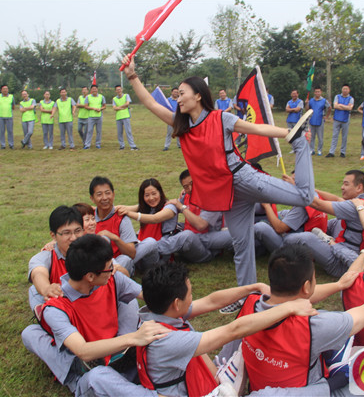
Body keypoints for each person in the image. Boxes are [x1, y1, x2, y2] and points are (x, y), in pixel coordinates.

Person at [122, 56, 315, 308]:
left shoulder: (220, 118)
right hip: (228, 195)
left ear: (198, 95)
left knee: (304, 196)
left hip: (242, 178)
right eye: (177, 95)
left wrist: (289, 134)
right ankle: (246, 298)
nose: (178, 98)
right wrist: (132, 76)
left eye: (182, 93)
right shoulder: (182, 126)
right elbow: (149, 103)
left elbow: (255, 129)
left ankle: (300, 143)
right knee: (242, 245)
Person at [235, 244, 364, 393]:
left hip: (259, 388)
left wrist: (339, 285)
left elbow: (296, 297)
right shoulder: (314, 327)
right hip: (309, 391)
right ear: (307, 286)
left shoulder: (251, 304)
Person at [22, 234, 171, 397]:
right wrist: (133, 338)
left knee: (139, 311)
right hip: (93, 367)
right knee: (97, 376)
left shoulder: (113, 279)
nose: (114, 269)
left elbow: (148, 296)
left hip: (114, 355)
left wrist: (181, 298)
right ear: (90, 276)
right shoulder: (56, 308)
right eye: (109, 267)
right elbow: (83, 351)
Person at [136, 263, 317, 396]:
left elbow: (211, 301)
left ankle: (221, 377)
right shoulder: (166, 340)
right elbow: (233, 330)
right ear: (176, 303)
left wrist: (252, 288)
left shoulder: (156, 314)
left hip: (197, 380)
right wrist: (288, 307)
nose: (192, 298)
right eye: (190, 294)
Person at [284, 170, 364, 277]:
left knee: (302, 238)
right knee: (333, 222)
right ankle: (319, 236)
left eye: (346, 184)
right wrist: (311, 191)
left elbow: (318, 204)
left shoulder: (352, 207)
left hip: (342, 262)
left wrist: (297, 189)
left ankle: (284, 240)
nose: (342, 187)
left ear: (359, 187)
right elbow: (337, 199)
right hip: (357, 253)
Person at [89, 176, 158, 275]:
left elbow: (131, 253)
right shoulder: (89, 217)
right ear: (92, 198)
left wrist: (115, 238)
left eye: (107, 193)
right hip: (95, 261)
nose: (104, 198)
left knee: (129, 257)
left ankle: (151, 273)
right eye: (99, 194)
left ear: (113, 194)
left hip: (119, 260)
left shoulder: (121, 219)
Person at [166, 170, 233, 263]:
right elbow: (173, 206)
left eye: (192, 183)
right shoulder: (186, 195)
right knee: (172, 227)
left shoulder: (211, 198)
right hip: (193, 237)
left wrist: (182, 207)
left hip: (207, 244)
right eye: (186, 187)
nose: (190, 188)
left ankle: (157, 248)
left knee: (187, 236)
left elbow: (200, 225)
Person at [28, 206, 85, 310]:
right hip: (61, 305)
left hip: (89, 304)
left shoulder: (92, 251)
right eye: (66, 233)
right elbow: (38, 273)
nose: (73, 238)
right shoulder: (45, 257)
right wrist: (47, 289)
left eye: (78, 231)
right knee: (34, 290)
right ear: (53, 235)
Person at [254, 172, 327, 254]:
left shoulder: (302, 206)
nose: (288, 183)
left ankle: (244, 242)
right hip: (306, 239)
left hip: (293, 248)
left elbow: (279, 229)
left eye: (292, 180)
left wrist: (267, 206)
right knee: (283, 213)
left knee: (260, 227)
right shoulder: (314, 195)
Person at [117, 178, 180, 266]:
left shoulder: (170, 207)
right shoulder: (147, 207)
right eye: (147, 195)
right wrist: (101, 209)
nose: (151, 198)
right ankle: (120, 262)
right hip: (143, 251)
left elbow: (154, 218)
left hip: (158, 255)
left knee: (150, 242)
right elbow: (122, 208)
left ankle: (118, 266)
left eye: (154, 194)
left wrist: (129, 213)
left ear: (160, 193)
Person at [327, 84, 354, 158]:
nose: (345, 90)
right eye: (343, 89)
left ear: (349, 90)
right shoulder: (337, 96)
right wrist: (345, 106)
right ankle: (331, 152)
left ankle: (343, 152)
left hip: (346, 119)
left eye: (346, 89)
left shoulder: (351, 98)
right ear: (342, 89)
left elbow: (350, 108)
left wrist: (340, 105)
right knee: (334, 136)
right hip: (337, 119)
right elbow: (335, 106)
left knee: (344, 136)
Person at [305, 87, 331, 156]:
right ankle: (312, 150)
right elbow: (307, 109)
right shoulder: (311, 100)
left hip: (320, 120)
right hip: (312, 120)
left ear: (321, 92)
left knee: (320, 137)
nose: (317, 93)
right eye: (316, 92)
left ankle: (319, 150)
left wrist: (327, 116)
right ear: (314, 92)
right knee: (311, 136)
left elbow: (329, 107)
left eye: (318, 92)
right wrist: (307, 103)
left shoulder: (324, 100)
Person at [113, 85, 138, 151]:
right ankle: (122, 145)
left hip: (126, 116)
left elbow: (127, 104)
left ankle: (132, 145)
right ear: (115, 91)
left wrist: (119, 107)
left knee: (128, 131)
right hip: (118, 117)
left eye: (119, 89)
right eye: (117, 90)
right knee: (119, 132)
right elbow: (114, 108)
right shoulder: (114, 99)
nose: (119, 91)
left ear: (122, 89)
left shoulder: (126, 95)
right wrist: (122, 107)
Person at [84, 85, 106, 149]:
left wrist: (100, 109)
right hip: (91, 116)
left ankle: (98, 144)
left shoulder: (101, 97)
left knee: (99, 131)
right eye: (93, 89)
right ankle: (87, 145)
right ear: (91, 90)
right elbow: (86, 106)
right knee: (89, 131)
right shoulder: (88, 97)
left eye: (95, 89)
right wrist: (93, 108)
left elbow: (104, 106)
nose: (94, 90)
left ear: (97, 89)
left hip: (99, 116)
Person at [0, 84, 15, 149]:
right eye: (4, 89)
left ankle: (11, 144)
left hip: (9, 116)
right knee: (2, 131)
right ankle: (3, 145)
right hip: (1, 116)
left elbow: (13, 106)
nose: (5, 90)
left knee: (10, 131)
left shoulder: (11, 96)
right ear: (1, 90)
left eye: (6, 89)